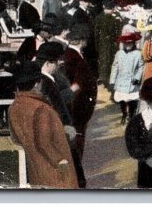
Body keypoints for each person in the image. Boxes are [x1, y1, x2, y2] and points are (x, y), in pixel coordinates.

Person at [7, 61, 79, 189]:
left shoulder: (14, 107)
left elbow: (15, 139)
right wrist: (60, 160)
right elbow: (43, 142)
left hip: (36, 169)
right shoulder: (41, 108)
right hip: (54, 171)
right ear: (37, 83)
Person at [61, 23, 98, 188]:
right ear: (82, 41)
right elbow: (74, 88)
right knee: (76, 148)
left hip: (77, 111)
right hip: (77, 113)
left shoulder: (70, 55)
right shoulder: (75, 59)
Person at [109, 29, 144, 125]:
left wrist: (137, 78)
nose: (128, 45)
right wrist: (112, 81)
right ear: (123, 43)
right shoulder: (119, 54)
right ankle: (124, 114)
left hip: (132, 81)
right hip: (121, 80)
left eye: (130, 43)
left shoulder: (138, 54)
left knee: (132, 100)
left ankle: (132, 116)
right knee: (122, 100)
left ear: (133, 43)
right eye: (126, 43)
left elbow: (141, 66)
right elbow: (115, 67)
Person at [93, 0, 122, 86]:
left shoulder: (100, 17)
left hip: (106, 41)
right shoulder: (110, 18)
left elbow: (96, 32)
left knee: (106, 60)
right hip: (107, 41)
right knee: (106, 60)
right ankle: (105, 79)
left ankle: (106, 78)